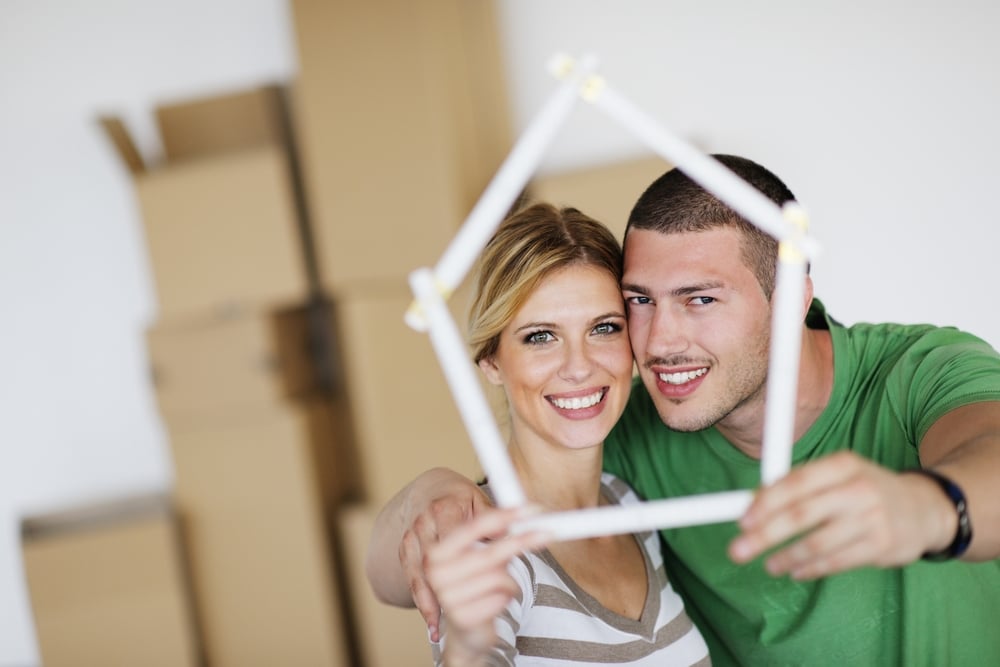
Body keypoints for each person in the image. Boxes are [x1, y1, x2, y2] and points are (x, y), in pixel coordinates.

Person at [368, 156, 1000, 665]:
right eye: (640, 301)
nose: (660, 342)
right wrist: (432, 491)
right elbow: (415, 574)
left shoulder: (920, 369)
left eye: (699, 299)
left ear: (790, 300)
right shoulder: (634, 431)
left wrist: (928, 508)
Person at [422, 202, 710, 665]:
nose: (579, 367)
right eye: (541, 336)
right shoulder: (489, 544)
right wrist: (468, 649)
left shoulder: (629, 507)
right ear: (492, 361)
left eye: (604, 328)